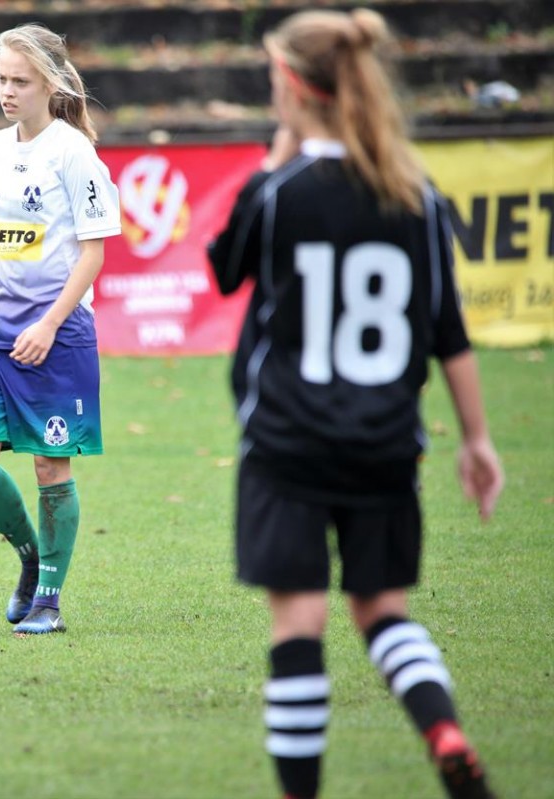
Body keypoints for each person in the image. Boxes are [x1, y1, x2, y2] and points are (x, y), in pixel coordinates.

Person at [207, 9, 504, 799]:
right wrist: (477, 439)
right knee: (382, 611)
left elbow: (224, 269)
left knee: (298, 625)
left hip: (287, 443)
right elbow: (449, 332)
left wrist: (273, 163)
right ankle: (444, 731)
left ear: (293, 88)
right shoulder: (416, 197)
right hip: (384, 442)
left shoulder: (282, 193)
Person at [0, 22, 120, 635]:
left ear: (50, 85)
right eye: (1, 79)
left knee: (51, 469)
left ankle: (49, 599)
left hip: (58, 335)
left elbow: (93, 253)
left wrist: (49, 324)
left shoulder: (74, 154)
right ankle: (30, 557)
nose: (7, 91)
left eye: (20, 81)